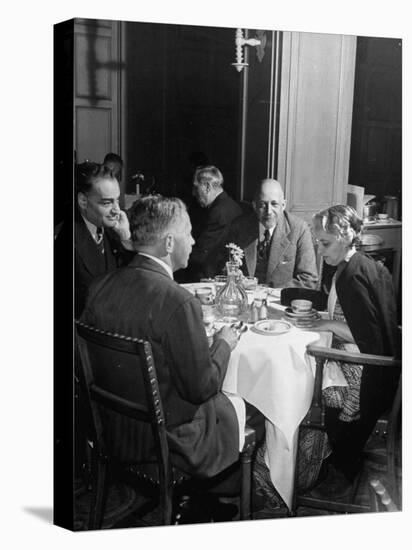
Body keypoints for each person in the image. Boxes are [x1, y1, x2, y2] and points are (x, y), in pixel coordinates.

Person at [81, 195, 258, 484]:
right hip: (166, 442)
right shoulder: (179, 302)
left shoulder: (100, 286)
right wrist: (224, 342)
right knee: (251, 408)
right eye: (188, 233)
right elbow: (201, 389)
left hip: (112, 430)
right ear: (168, 244)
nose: (193, 240)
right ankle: (236, 493)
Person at [309, 204, 400, 492]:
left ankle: (333, 462)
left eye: (325, 243)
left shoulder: (350, 277)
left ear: (345, 237)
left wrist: (328, 326)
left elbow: (367, 342)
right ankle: (335, 458)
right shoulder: (363, 263)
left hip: (372, 380)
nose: (321, 251)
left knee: (305, 383)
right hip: (388, 371)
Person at [218, 178, 318, 288]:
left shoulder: (299, 229)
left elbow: (308, 280)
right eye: (262, 205)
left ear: (283, 205)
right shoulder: (239, 226)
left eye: (274, 204)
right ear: (254, 205)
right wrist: (233, 275)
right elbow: (222, 266)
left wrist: (269, 291)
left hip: (279, 301)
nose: (269, 211)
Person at [73, 162, 134, 317]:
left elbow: (135, 279)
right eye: (107, 203)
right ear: (83, 201)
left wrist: (125, 237)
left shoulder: (113, 229)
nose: (117, 210)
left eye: (117, 200)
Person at [181, 165, 242, 281]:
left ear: (207, 187)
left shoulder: (218, 212)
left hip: (211, 277)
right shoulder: (226, 205)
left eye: (195, 188)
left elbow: (201, 254)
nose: (193, 193)